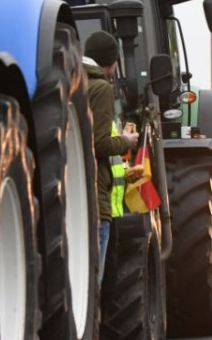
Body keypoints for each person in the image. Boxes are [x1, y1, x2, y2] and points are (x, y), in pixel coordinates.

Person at [84, 30, 138, 284]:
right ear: (112, 62)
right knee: (97, 281)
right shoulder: (101, 89)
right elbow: (99, 143)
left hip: (81, 198)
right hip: (101, 203)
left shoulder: (75, 83)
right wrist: (126, 141)